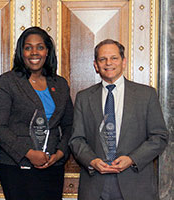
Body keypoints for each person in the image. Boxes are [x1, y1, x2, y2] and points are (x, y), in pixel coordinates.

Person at [69, 39, 168, 200]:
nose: (108, 63)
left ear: (123, 62)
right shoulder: (84, 97)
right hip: (95, 186)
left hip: (135, 183)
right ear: (96, 65)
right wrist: (92, 161)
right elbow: (76, 139)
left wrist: (132, 159)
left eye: (114, 58)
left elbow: (159, 137)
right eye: (102, 59)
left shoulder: (146, 95)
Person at [0, 26, 74, 200]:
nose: (34, 52)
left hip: (53, 165)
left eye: (40, 47)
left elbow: (69, 125)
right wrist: (28, 153)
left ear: (47, 51)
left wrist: (59, 153)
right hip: (17, 167)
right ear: (21, 52)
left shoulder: (60, 84)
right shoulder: (7, 82)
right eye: (28, 48)